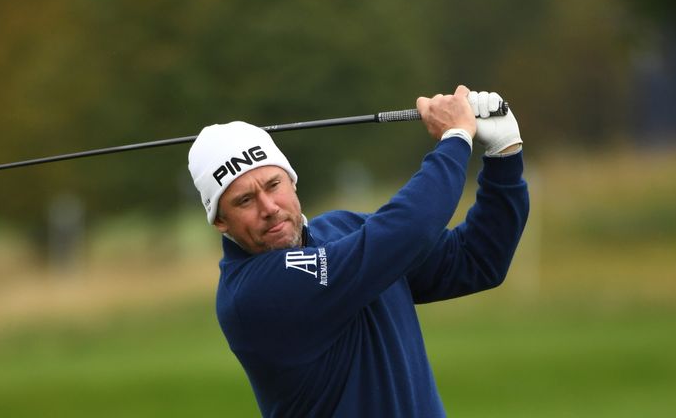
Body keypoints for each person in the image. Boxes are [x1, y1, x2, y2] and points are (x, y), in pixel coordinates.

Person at [187, 85, 529, 417]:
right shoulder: (252, 295)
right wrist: (455, 139)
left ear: (292, 181)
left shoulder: (342, 230)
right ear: (220, 220)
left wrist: (504, 154)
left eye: (273, 185)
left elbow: (477, 258)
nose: (269, 207)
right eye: (245, 200)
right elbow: (407, 230)